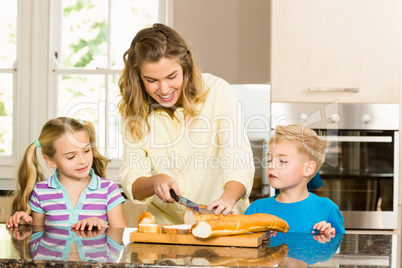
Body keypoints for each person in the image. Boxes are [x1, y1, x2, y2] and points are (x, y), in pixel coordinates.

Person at [118, 23, 254, 224]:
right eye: (151, 80)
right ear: (138, 78)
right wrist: (155, 182)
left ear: (186, 67)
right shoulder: (133, 110)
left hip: (225, 220)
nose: (164, 89)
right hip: (167, 226)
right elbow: (133, 177)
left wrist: (228, 198)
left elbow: (238, 158)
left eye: (172, 76)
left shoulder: (218, 92)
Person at [6, 117, 127, 230]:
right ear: (51, 161)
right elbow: (38, 240)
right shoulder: (40, 192)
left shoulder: (109, 190)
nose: (83, 160)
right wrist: (24, 226)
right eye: (71, 157)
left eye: (86, 150)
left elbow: (122, 238)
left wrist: (103, 226)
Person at [245, 124, 345, 234]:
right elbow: (242, 246)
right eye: (269, 159)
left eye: (282, 161)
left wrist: (329, 239)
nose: (271, 165)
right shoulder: (257, 209)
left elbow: (339, 248)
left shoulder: (328, 209)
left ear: (308, 169)